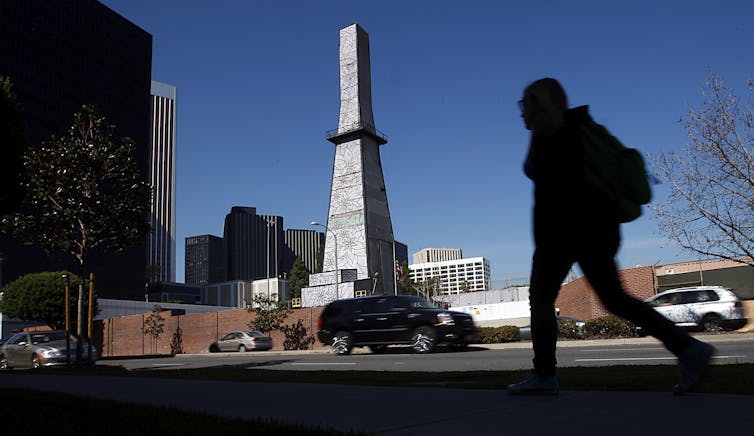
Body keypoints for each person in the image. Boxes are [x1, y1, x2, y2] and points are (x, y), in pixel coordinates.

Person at [507, 78, 715, 396]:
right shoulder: (584, 130)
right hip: (600, 228)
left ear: (542, 104)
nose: (522, 113)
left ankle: (545, 376)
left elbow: (539, 174)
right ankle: (688, 349)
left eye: (526, 105)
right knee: (613, 299)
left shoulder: (553, 135)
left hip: (566, 232)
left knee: (542, 300)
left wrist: (540, 126)